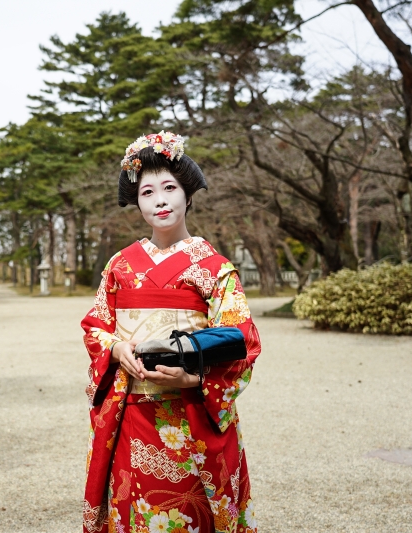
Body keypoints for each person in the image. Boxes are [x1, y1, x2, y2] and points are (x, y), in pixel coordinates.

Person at [81, 132, 262, 533]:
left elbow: (243, 339)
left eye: (169, 188)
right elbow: (96, 324)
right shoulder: (120, 265)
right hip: (133, 415)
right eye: (147, 192)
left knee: (193, 513)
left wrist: (195, 376)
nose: (159, 200)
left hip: (191, 413)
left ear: (187, 195)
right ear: (137, 201)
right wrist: (113, 349)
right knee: (134, 512)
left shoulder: (214, 267)